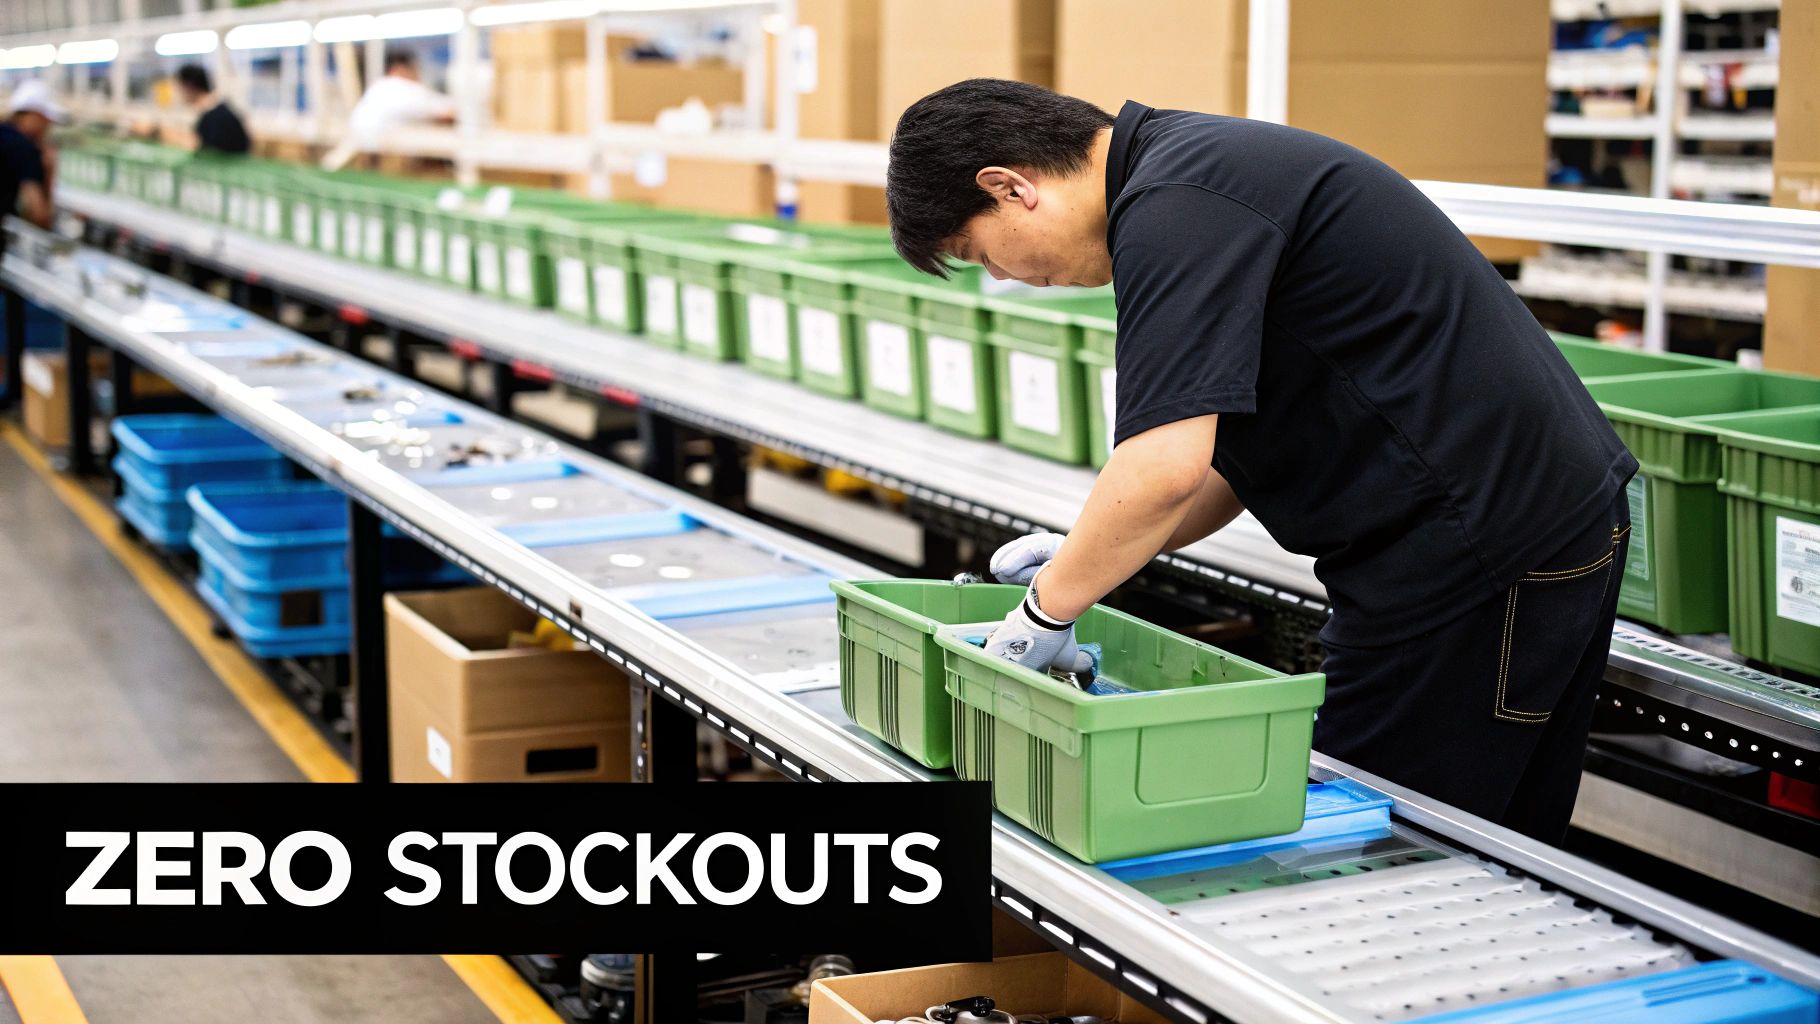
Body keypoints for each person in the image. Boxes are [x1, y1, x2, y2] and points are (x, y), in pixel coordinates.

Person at [885, 79, 1637, 845]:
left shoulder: (1173, 211)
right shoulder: (1188, 175)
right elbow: (1218, 462)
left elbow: (1164, 468)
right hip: (1527, 519)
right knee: (1503, 836)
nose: (1004, 277)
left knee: (1384, 839)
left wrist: (1043, 613)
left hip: (1477, 547)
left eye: (980, 254)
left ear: (1010, 188)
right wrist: (1086, 551)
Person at [345, 48, 456, 153]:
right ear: (400, 68)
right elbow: (447, 111)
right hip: (383, 147)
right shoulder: (402, 87)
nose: (418, 74)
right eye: (415, 69)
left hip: (362, 144)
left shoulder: (379, 86)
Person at [2, 80, 61, 255]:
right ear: (33, 115)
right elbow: (40, 216)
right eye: (46, 119)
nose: (48, 126)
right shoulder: (24, 148)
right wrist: (50, 171)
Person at [175, 64, 250, 156]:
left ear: (189, 87)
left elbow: (211, 152)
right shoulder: (213, 112)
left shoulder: (219, 118)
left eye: (180, 88)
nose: (179, 94)